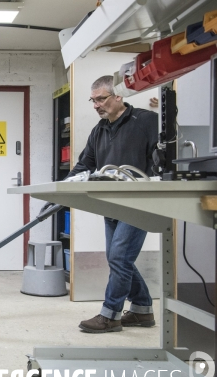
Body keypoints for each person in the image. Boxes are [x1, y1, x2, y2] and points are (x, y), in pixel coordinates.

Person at [67, 75, 158, 334]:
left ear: (119, 95)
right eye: (92, 100)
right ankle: (142, 309)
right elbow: (85, 164)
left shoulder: (146, 121)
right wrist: (62, 188)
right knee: (118, 258)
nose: (96, 105)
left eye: (101, 99)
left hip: (137, 203)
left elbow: (160, 161)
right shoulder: (100, 129)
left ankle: (110, 315)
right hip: (111, 205)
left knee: (119, 256)